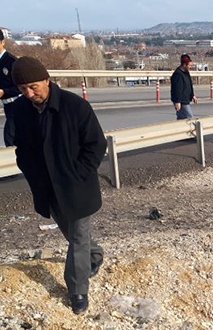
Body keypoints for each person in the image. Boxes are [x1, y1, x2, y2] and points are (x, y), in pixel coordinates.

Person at [11, 56, 106, 315]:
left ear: (46, 80)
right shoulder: (19, 110)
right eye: (23, 89)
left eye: (34, 86)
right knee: (73, 235)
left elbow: (96, 145)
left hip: (77, 186)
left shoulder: (75, 107)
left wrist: (80, 174)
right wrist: (29, 171)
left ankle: (77, 290)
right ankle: (95, 256)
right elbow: (20, 147)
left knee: (76, 237)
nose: (30, 93)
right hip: (46, 186)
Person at [0, 30, 20, 146]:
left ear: (3, 42)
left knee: (10, 136)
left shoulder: (12, 62)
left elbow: (21, 87)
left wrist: (4, 92)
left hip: (17, 104)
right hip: (6, 105)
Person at [170, 54, 198, 120]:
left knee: (181, 118)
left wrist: (192, 95)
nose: (190, 67)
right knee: (189, 118)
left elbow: (189, 85)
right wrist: (177, 102)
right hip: (181, 101)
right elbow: (177, 89)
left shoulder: (186, 72)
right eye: (189, 65)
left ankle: (179, 129)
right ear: (184, 65)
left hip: (185, 99)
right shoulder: (178, 74)